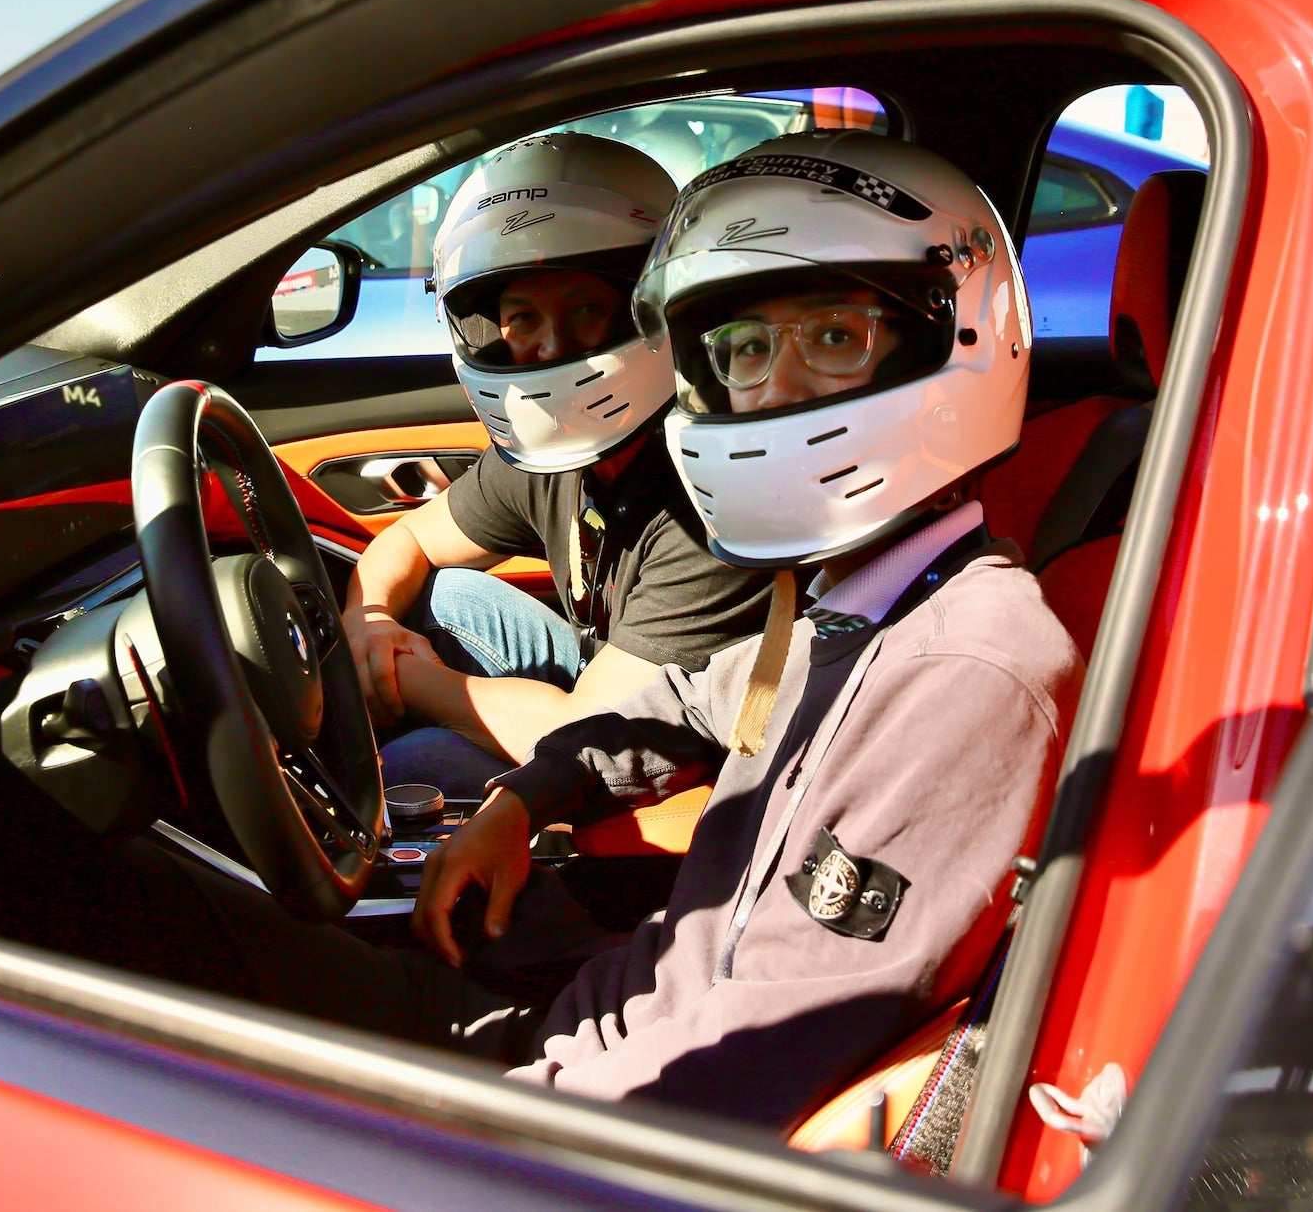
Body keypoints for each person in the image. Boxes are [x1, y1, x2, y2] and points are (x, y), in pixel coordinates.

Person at [146, 131, 1079, 1133]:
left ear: (955, 339)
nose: (773, 388)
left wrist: (490, 1121)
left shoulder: (968, 672)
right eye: (745, 349)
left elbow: (753, 1053)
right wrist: (522, 797)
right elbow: (683, 700)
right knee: (181, 930)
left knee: (158, 951)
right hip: (591, 1016)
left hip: (575, 1095)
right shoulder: (861, 600)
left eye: (834, 337)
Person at [343, 132, 774, 796]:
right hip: (608, 682)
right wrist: (368, 622)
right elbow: (406, 539)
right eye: (522, 318)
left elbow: (590, 730)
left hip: (682, 758)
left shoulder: (711, 496)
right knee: (444, 595)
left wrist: (405, 675)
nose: (549, 349)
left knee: (417, 762)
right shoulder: (549, 452)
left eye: (585, 310)